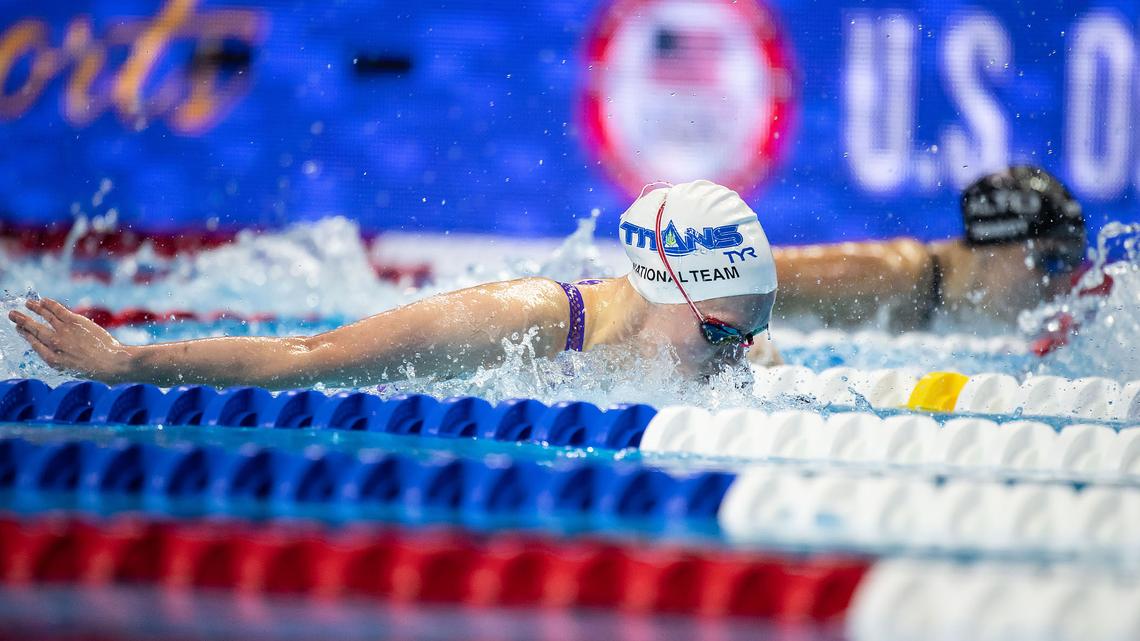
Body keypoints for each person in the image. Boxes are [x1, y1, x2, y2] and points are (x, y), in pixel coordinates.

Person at [9, 180, 781, 389]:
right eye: (720, 333)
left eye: (749, 336)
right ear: (659, 287)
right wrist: (128, 364)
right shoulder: (518, 322)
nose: (740, 358)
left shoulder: (728, 349)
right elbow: (309, 356)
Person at [771, 165, 1087, 331]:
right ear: (994, 248)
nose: (1061, 284)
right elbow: (742, 272)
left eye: (1073, 262)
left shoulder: (950, 308)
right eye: (1053, 261)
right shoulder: (894, 274)